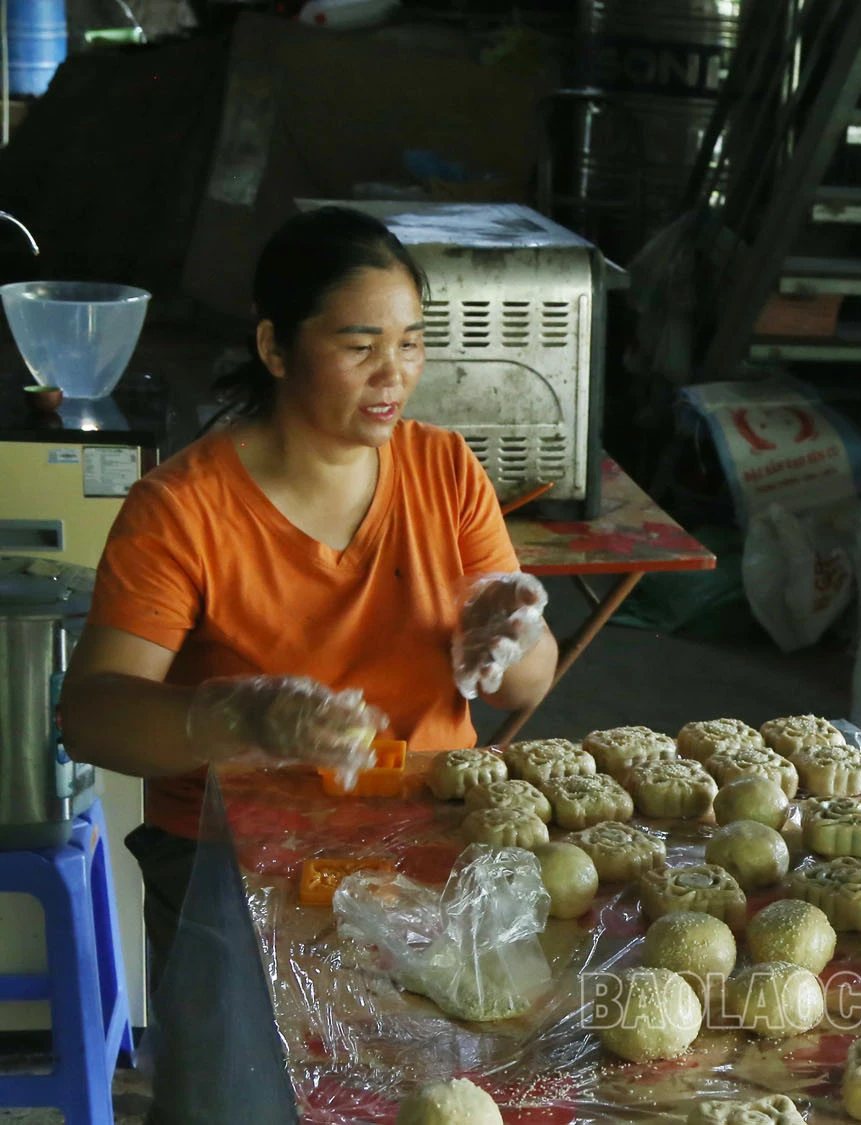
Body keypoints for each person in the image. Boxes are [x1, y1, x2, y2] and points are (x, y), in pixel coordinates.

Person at [60, 206, 560, 991]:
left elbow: (528, 685)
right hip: (230, 860)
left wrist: (513, 635)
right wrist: (235, 717)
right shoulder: (182, 509)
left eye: (411, 343)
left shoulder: (445, 471)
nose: (393, 374)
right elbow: (89, 716)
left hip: (426, 837)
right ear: (275, 348)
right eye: (360, 347)